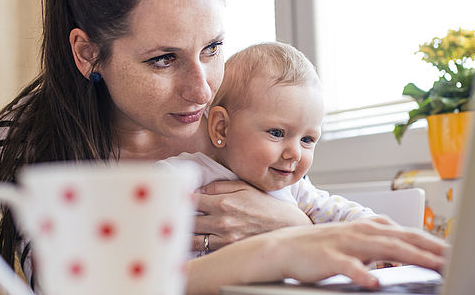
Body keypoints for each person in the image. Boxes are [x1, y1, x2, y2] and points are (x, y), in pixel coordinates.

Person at [0, 0, 448, 295]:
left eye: (212, 47)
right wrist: (275, 251)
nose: (201, 90)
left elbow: (308, 208)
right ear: (87, 53)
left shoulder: (235, 114)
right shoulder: (28, 138)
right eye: (163, 59)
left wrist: (293, 227)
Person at [159, 42, 394, 257]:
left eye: (307, 139)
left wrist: (380, 238)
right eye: (277, 133)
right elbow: (142, 210)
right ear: (222, 128)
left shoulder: (297, 190)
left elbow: (341, 214)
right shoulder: (186, 175)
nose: (295, 153)